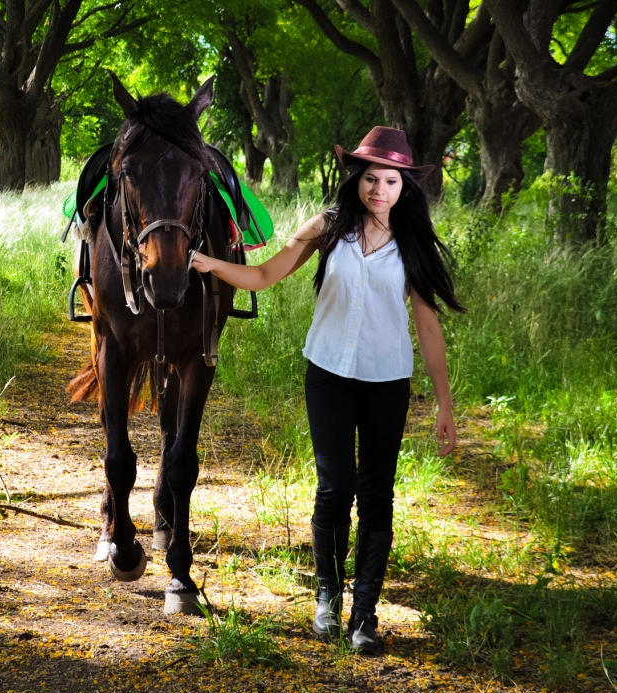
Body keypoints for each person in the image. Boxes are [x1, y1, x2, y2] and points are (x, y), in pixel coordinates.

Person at [192, 126, 463, 655]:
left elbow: (428, 328)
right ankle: (327, 598)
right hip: (330, 375)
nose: (378, 190)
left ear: (404, 185)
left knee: (377, 493)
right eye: (369, 179)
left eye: (389, 180)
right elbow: (266, 274)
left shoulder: (410, 245)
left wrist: (445, 404)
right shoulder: (329, 228)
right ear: (355, 179)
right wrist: (211, 264)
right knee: (335, 487)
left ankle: (365, 614)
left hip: (387, 380)